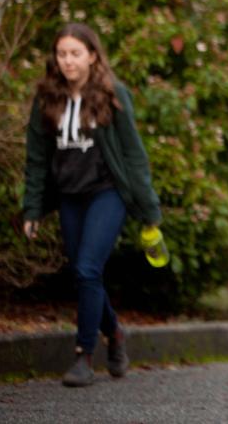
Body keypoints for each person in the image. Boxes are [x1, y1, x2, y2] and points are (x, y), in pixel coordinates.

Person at [21, 23, 162, 388]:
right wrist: (32, 209)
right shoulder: (47, 99)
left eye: (75, 54)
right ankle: (114, 334)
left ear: (92, 56)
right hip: (70, 195)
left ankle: (84, 355)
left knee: (86, 269)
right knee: (85, 275)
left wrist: (149, 211)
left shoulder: (113, 95)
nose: (68, 61)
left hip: (107, 193)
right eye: (62, 54)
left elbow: (133, 155)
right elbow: (36, 158)